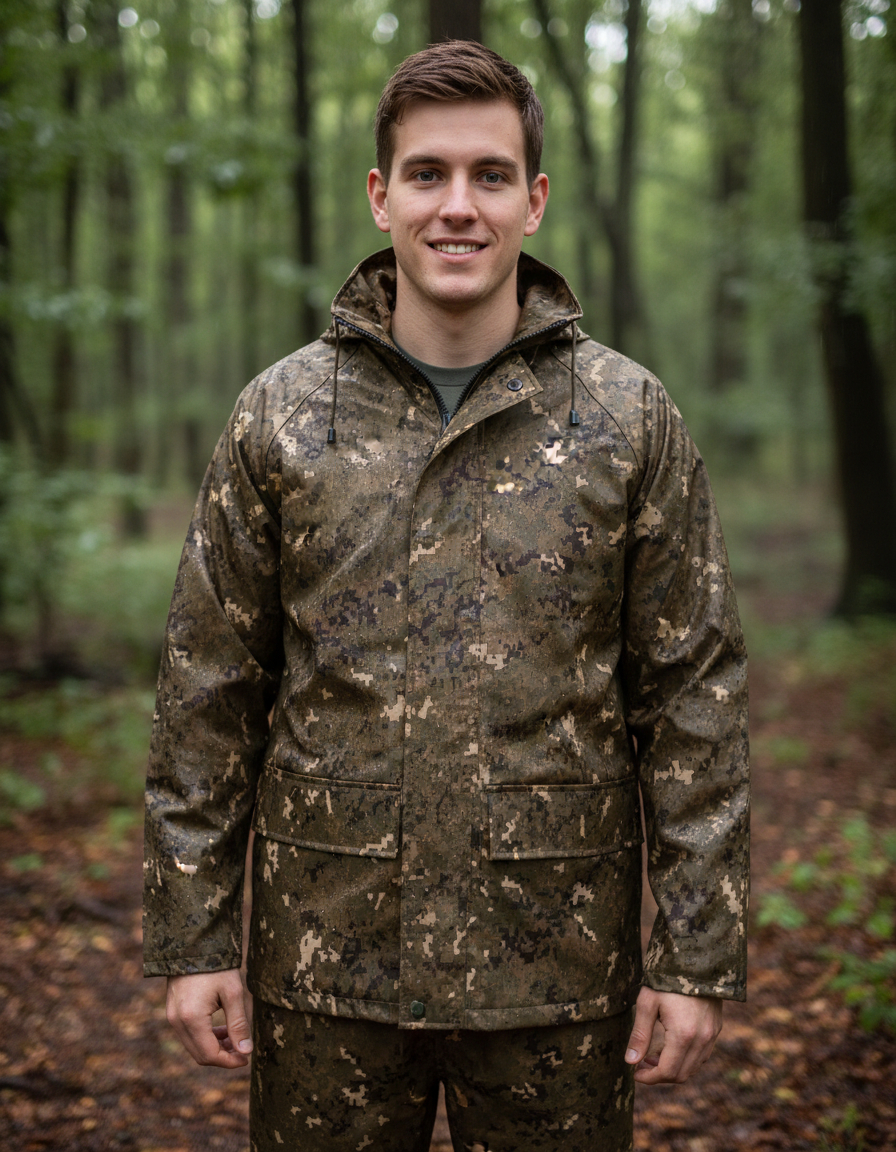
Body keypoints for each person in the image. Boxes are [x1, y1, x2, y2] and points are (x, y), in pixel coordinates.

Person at [144, 41, 749, 1152]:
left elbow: (691, 695)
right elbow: (208, 689)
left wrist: (695, 955)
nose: (457, 206)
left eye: (489, 175)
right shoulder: (284, 415)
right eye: (427, 174)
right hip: (325, 966)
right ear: (381, 196)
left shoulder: (624, 418)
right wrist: (194, 938)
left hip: (555, 969)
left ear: (534, 200)